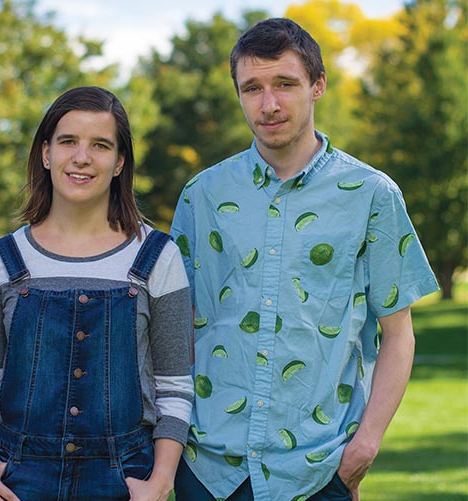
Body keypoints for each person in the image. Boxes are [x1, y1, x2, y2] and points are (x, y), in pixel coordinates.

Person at [170, 18, 438, 501]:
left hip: (318, 468)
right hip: (208, 469)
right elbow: (177, 329)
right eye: (252, 88)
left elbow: (398, 334)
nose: (268, 104)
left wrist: (366, 445)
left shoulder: (372, 194)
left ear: (317, 86)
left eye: (285, 84)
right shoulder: (201, 195)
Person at [0, 86, 194, 501]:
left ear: (120, 162)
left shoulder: (157, 257)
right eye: (68, 141)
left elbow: (174, 385)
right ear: (47, 154)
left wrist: (160, 480)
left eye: (100, 145)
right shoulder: (5, 258)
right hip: (17, 478)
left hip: (124, 478)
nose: (82, 158)